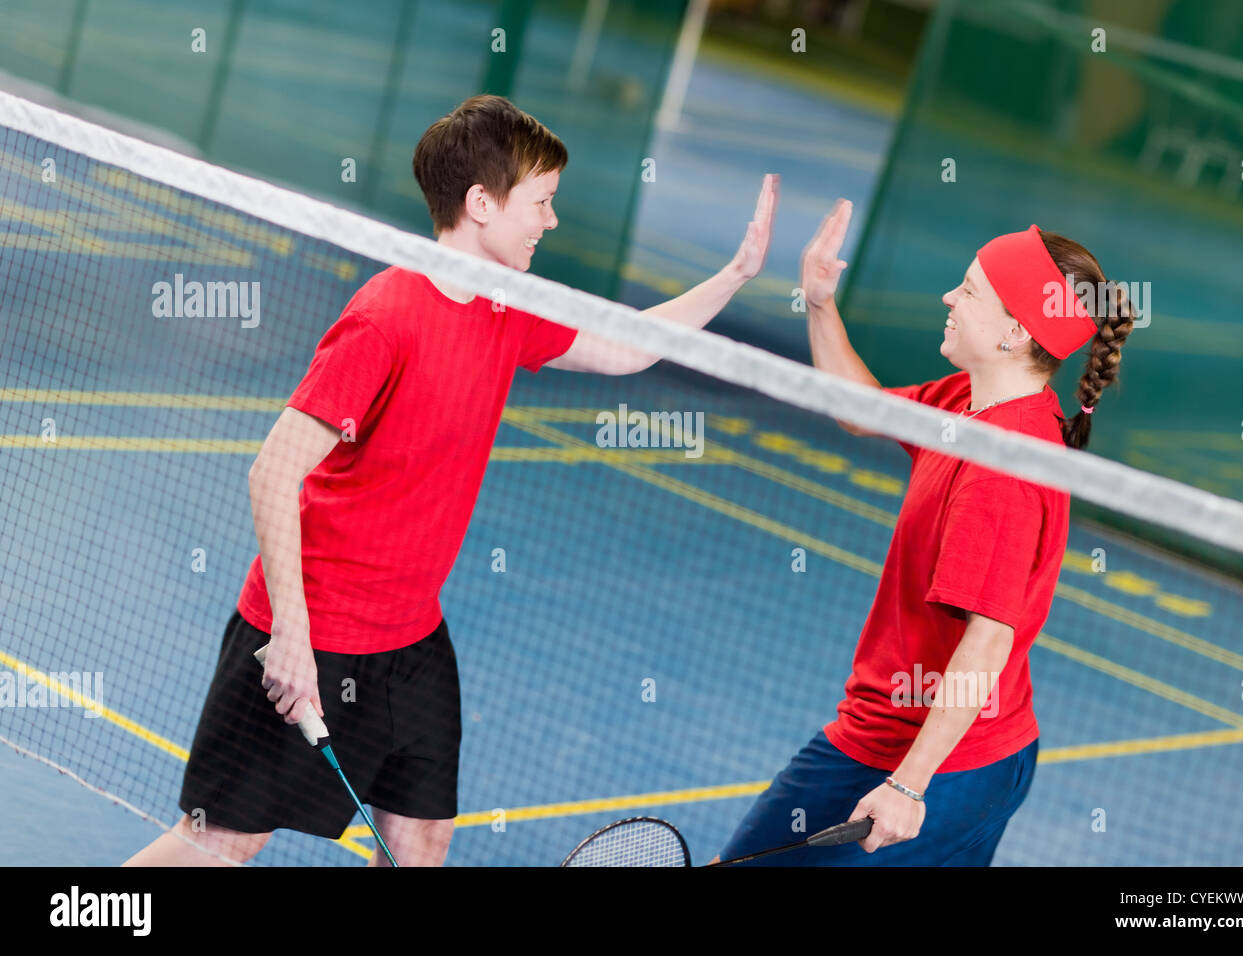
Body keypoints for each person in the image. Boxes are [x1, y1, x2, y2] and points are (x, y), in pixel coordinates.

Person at [125, 94, 779, 866]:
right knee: (221, 844)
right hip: (315, 630)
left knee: (422, 838)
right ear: (480, 204)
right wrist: (292, 637)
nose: (550, 221)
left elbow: (626, 347)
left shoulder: (509, 308)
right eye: (540, 202)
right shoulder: (386, 317)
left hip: (412, 639)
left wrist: (735, 275)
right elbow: (272, 473)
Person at [713, 200, 1133, 865]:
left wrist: (908, 784)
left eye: (968, 291)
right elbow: (859, 410)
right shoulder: (973, 401)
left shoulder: (1002, 466)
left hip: (922, 758)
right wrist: (820, 303)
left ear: (1014, 334)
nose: (948, 296)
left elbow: (987, 642)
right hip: (975, 755)